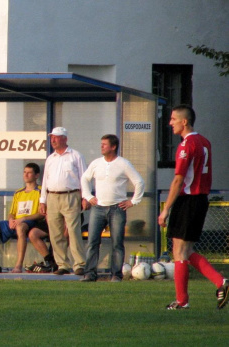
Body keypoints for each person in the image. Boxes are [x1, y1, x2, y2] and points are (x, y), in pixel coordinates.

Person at [158, 105, 228, 310]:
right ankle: (220, 283)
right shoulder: (205, 142)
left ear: (184, 122)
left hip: (188, 200)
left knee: (179, 251)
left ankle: (183, 301)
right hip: (201, 200)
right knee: (186, 251)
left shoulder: (186, 145)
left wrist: (166, 209)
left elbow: (179, 180)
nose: (170, 123)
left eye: (173, 119)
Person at [80, 134, 145, 282]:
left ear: (113, 147)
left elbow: (139, 182)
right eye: (101, 144)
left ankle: (116, 275)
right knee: (93, 241)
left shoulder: (124, 164)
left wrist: (133, 201)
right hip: (98, 208)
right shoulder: (96, 163)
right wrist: (88, 196)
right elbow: (85, 178)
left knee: (117, 243)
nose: (101, 146)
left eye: (104, 144)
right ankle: (89, 273)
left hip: (117, 209)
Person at [0, 163, 54, 273]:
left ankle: (18, 265)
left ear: (37, 175)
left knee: (20, 227)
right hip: (15, 221)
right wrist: (10, 220)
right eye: (24, 172)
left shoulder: (41, 191)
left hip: (29, 222)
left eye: (29, 173)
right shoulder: (18, 192)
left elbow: (41, 213)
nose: (26, 175)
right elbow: (12, 212)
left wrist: (23, 219)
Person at [39, 127, 88, 276]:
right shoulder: (50, 158)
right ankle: (62, 264)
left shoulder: (75, 156)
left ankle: (79, 263)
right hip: (52, 197)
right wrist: (43, 200)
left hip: (70, 195)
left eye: (56, 137)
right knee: (55, 232)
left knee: (73, 231)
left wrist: (85, 196)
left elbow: (84, 178)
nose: (53, 140)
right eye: (52, 137)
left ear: (65, 139)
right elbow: (45, 180)